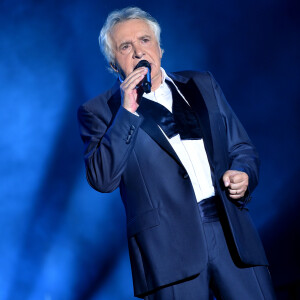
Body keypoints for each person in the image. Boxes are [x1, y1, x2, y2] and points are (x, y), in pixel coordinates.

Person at [77, 7, 276, 300]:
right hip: (167, 253)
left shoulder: (202, 84)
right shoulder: (99, 111)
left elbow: (242, 148)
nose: (137, 52)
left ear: (160, 47)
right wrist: (127, 111)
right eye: (125, 46)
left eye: (144, 40)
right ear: (113, 63)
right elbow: (103, 179)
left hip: (233, 238)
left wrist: (244, 173)